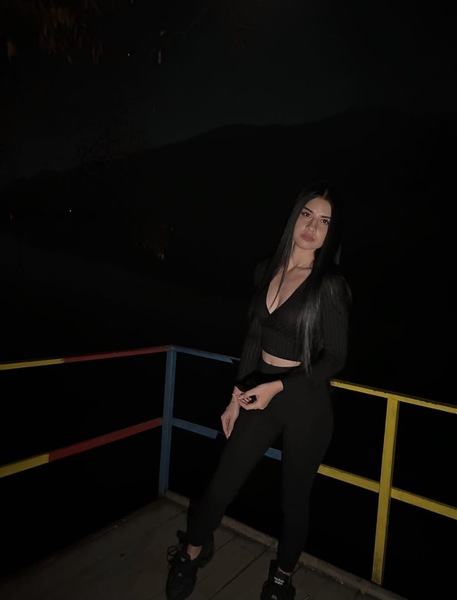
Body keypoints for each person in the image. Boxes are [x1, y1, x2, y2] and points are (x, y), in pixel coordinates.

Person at [165, 185, 352, 600]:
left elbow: (336, 358)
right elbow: (253, 338)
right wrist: (235, 398)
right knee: (220, 484)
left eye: (324, 221)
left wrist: (279, 386)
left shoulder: (329, 285)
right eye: (307, 214)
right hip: (257, 390)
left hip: (305, 400)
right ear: (294, 217)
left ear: (331, 233)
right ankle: (192, 553)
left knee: (294, 500)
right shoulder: (266, 269)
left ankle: (282, 578)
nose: (312, 226)